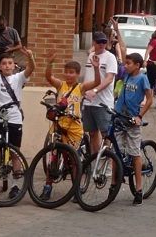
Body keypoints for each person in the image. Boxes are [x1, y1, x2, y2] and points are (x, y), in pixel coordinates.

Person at [40, 52, 101, 201]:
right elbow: (48, 77)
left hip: (74, 127)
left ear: (78, 74)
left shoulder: (81, 87)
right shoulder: (61, 85)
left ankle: (76, 189)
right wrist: (50, 63)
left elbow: (96, 82)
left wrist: (96, 68)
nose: (68, 75)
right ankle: (47, 187)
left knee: (74, 159)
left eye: (72, 72)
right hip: (59, 124)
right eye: (66, 72)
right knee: (53, 157)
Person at [0, 46, 35, 198]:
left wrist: (30, 57)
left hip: (14, 119)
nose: (7, 66)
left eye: (10, 63)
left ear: (14, 65)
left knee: (15, 152)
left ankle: (15, 186)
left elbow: (31, 69)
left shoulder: (18, 78)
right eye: (4, 63)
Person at [114, 52, 153, 205]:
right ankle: (113, 183)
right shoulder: (126, 75)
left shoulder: (142, 78)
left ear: (137, 65)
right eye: (125, 63)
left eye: (129, 63)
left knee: (135, 153)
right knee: (115, 151)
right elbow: (122, 51)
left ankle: (138, 189)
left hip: (132, 120)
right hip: (119, 116)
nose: (126, 66)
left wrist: (140, 116)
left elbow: (149, 99)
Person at [82, 31, 118, 156]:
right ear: (94, 42)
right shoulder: (91, 56)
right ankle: (95, 158)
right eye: (99, 42)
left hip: (103, 102)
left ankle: (108, 159)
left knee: (106, 133)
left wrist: (95, 90)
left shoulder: (110, 57)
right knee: (92, 133)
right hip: (88, 102)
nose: (102, 44)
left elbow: (109, 79)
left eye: (104, 42)